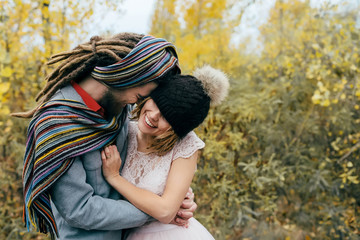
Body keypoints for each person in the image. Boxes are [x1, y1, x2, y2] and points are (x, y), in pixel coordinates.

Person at [13, 33, 197, 240]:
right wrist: (158, 212)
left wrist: (173, 195)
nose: (141, 103)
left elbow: (141, 159)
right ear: (128, 73)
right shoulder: (56, 124)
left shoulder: (118, 107)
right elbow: (80, 209)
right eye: (141, 96)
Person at [101, 65, 229, 239]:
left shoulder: (185, 146)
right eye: (158, 103)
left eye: (167, 116)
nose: (154, 115)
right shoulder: (123, 127)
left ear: (177, 130)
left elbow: (166, 211)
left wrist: (115, 178)